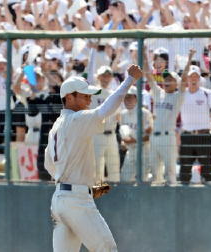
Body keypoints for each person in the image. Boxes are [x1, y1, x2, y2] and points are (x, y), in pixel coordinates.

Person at [45, 64, 143, 252]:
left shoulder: (56, 126)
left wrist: (78, 182)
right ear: (69, 97)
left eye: (90, 95)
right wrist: (129, 80)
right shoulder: (76, 119)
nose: (89, 99)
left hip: (59, 199)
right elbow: (106, 109)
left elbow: (49, 165)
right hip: (76, 200)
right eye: (84, 95)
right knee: (107, 249)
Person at [145, 49, 194, 185]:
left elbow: (184, 79)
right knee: (154, 173)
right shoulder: (158, 92)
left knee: (169, 173)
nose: (167, 81)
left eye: (170, 79)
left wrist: (189, 58)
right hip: (154, 137)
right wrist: (144, 54)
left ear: (176, 84)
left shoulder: (178, 96)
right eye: (166, 78)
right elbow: (148, 75)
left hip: (168, 137)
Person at [179, 64, 211, 184]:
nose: (193, 79)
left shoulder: (207, 93)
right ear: (187, 79)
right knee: (184, 172)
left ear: (199, 79)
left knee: (207, 171)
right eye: (191, 76)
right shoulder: (181, 94)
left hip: (204, 136)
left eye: (196, 76)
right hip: (187, 136)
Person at [91, 66, 121, 183]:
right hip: (97, 134)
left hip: (112, 133)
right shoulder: (93, 93)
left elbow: (118, 116)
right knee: (97, 169)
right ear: (98, 77)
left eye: (108, 76)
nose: (106, 78)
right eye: (103, 76)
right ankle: (98, 196)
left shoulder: (113, 94)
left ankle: (116, 195)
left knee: (114, 167)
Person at [119, 86, 153, 182]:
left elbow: (149, 136)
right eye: (126, 97)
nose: (127, 100)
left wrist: (133, 140)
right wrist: (123, 142)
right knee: (125, 180)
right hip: (130, 151)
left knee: (143, 180)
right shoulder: (123, 114)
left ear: (136, 98)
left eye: (130, 97)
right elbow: (123, 134)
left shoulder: (145, 113)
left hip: (144, 150)